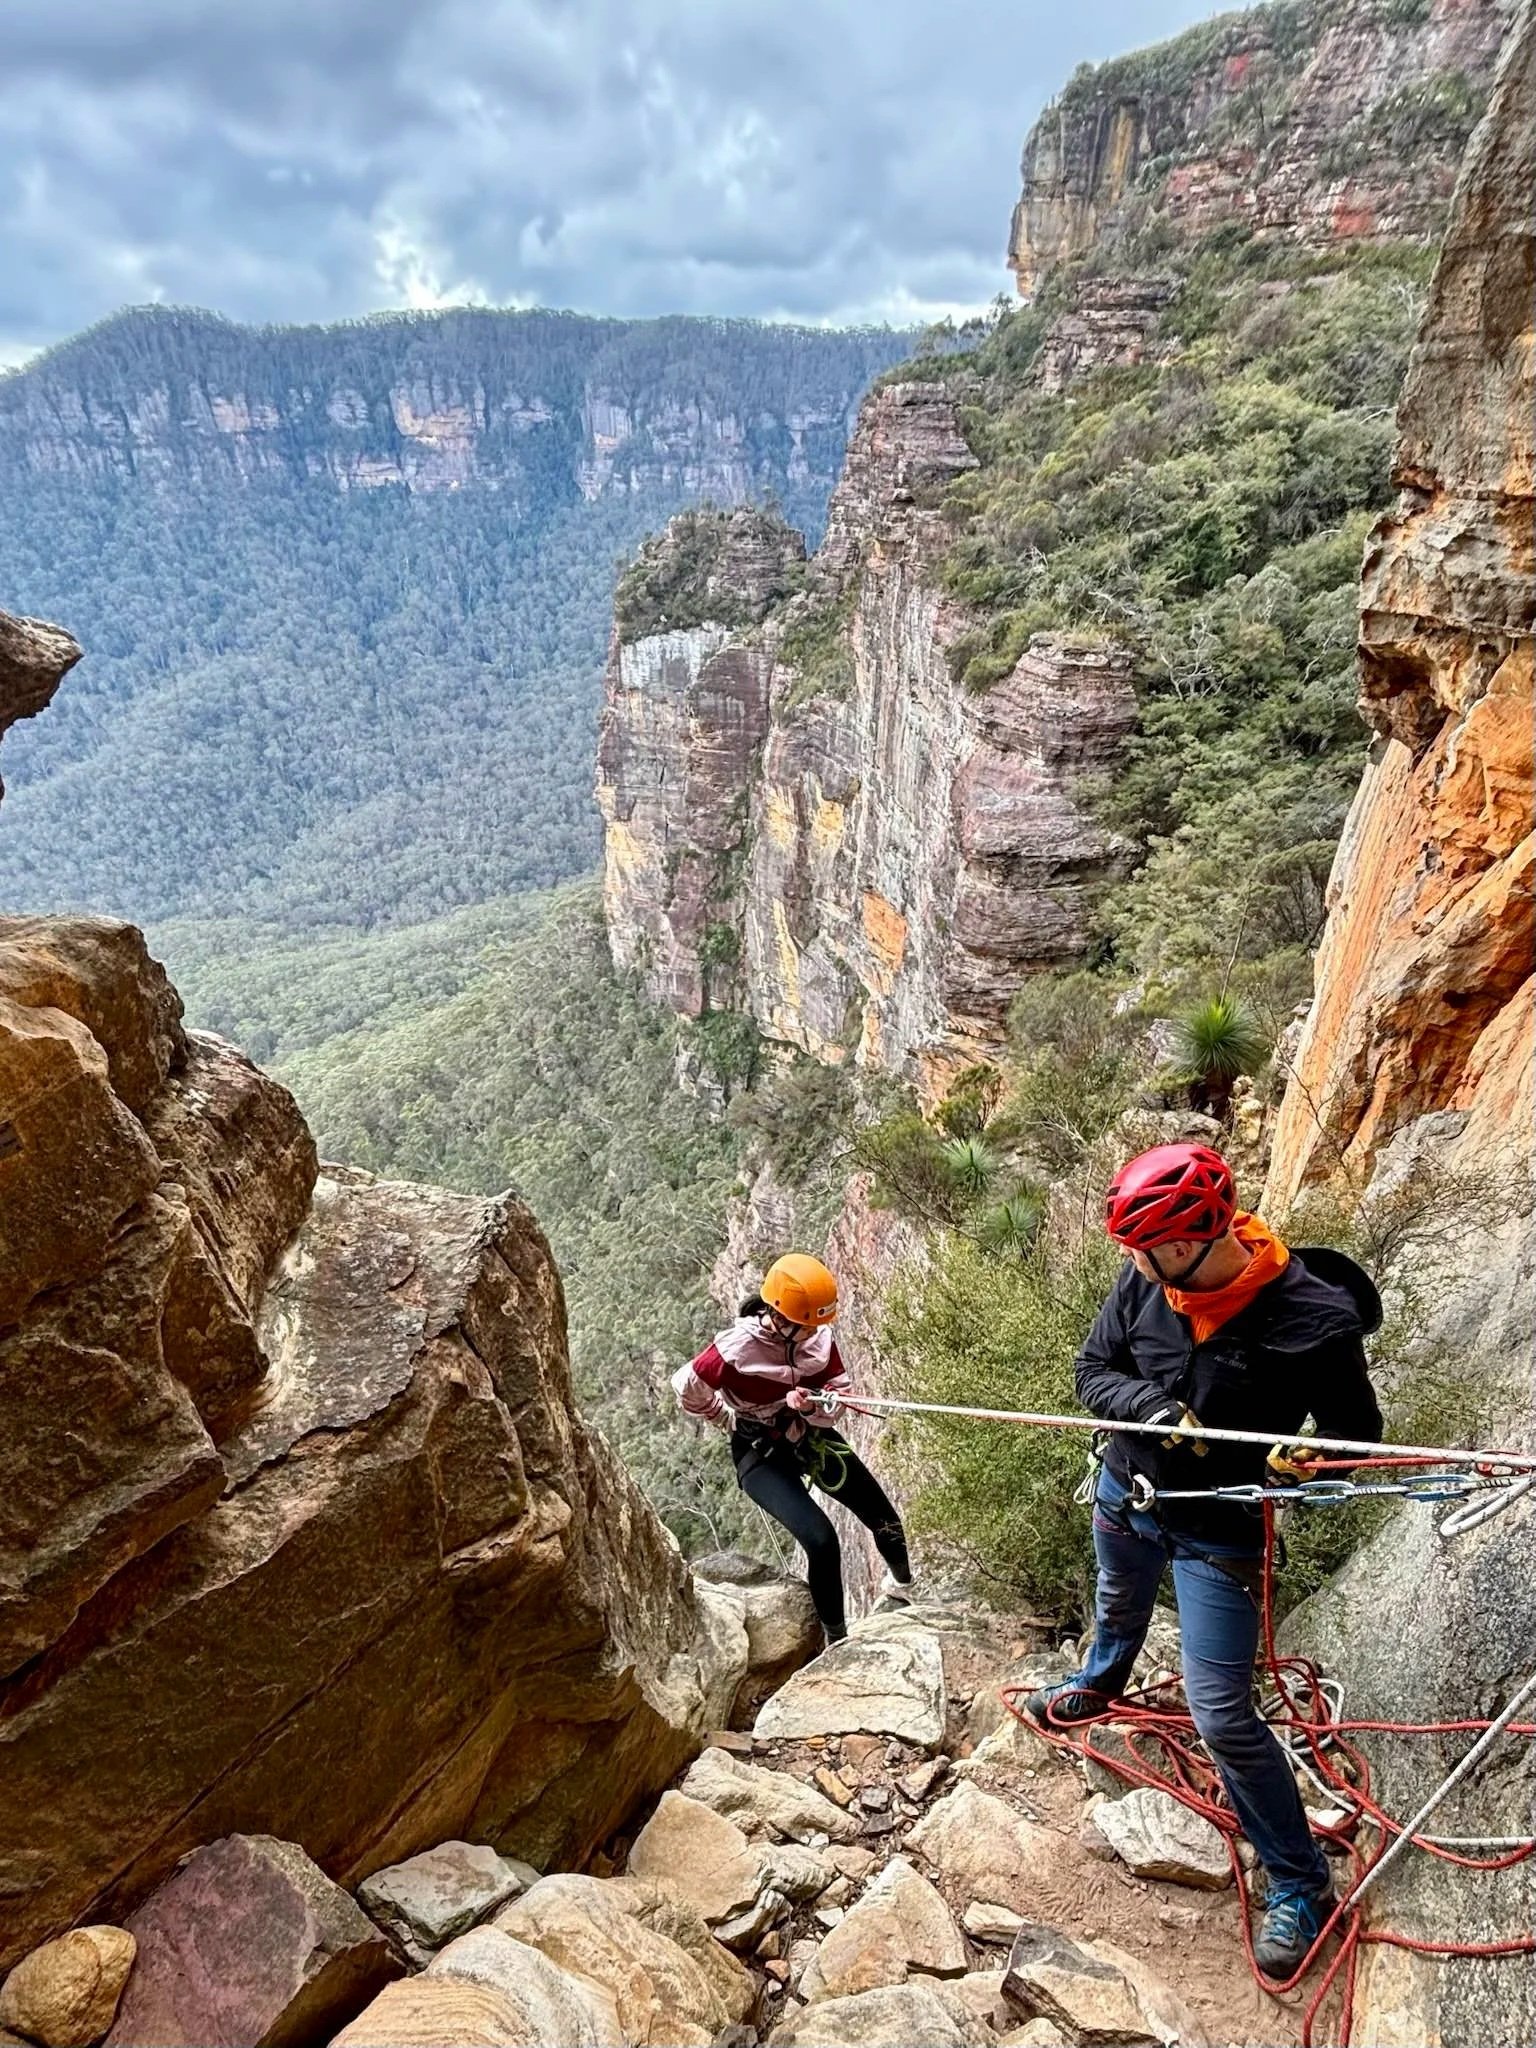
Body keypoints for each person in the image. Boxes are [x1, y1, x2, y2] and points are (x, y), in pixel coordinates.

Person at [1023, 1141, 1383, 1979]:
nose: (1140, 1268)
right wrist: (1151, 1406)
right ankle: (1100, 1682)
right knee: (1117, 1604)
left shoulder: (1313, 1319)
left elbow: (1356, 1437)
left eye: (1151, 1250)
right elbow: (1092, 1371)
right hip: (1127, 1496)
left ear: (1194, 1234)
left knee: (1220, 1711)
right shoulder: (1150, 1281)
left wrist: (1307, 1460)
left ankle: (1301, 1884)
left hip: (1221, 1530)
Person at [673, 1253, 914, 1644]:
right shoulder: (735, 1349)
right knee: (820, 1539)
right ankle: (836, 1638)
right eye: (808, 1325)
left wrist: (815, 1404)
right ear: (782, 1319)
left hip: (808, 1435)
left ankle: (904, 1586)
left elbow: (839, 1392)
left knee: (882, 1515)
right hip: (759, 1450)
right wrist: (725, 1419)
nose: (816, 1332)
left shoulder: (817, 1339)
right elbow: (687, 1387)